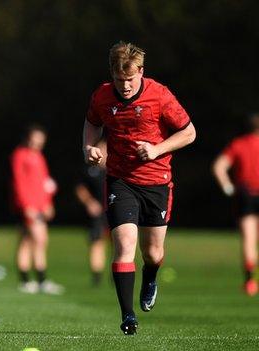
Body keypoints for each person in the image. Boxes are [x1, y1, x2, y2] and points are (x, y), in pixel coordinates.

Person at [83, 41, 196, 335]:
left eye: (130, 79)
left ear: (141, 72)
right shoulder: (102, 95)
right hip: (120, 180)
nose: (125, 86)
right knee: (124, 247)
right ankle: (128, 317)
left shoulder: (160, 95)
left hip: (157, 183)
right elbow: (92, 122)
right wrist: (89, 147)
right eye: (120, 80)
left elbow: (189, 132)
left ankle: (151, 276)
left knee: (154, 254)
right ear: (113, 75)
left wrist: (157, 150)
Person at [11, 125, 64, 295]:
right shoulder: (19, 155)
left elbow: (44, 181)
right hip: (28, 206)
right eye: (35, 140)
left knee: (29, 241)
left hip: (39, 205)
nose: (37, 143)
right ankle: (37, 280)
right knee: (38, 239)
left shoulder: (39, 156)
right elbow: (19, 182)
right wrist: (26, 205)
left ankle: (29, 281)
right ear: (28, 138)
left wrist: (48, 203)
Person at [213, 113, 259, 296]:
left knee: (249, 239)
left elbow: (218, 166)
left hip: (246, 195)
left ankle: (250, 282)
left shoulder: (239, 144)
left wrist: (227, 187)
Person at [75, 140, 108, 287]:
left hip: (115, 210)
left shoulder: (117, 169)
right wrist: (89, 202)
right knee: (97, 242)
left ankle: (119, 274)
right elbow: (80, 189)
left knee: (120, 242)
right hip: (97, 213)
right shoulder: (90, 170)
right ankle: (97, 276)